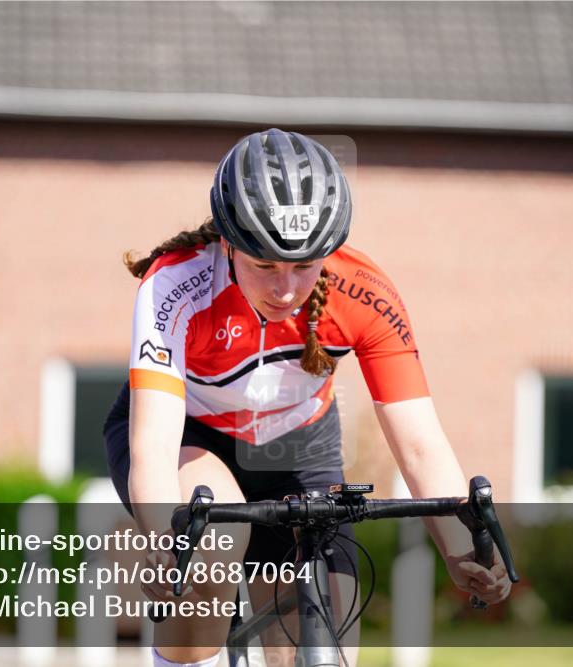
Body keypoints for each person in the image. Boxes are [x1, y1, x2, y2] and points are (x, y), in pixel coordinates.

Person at [104, 128, 511, 667]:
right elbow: (154, 444)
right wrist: (162, 542)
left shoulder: (365, 293)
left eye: (304, 265)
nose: (286, 289)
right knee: (208, 564)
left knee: (325, 641)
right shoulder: (174, 285)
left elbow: (419, 445)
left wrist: (464, 548)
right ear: (228, 243)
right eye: (264, 266)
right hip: (190, 441)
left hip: (299, 450)